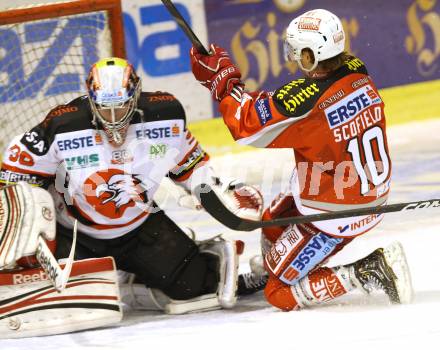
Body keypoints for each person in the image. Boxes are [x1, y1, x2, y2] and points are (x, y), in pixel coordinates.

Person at [0, 57, 263, 327]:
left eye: (121, 106)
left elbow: (190, 166)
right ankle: (121, 274)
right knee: (60, 301)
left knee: (195, 287)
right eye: (105, 108)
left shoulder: (165, 116)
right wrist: (25, 210)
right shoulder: (64, 125)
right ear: (91, 101)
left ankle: (139, 279)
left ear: (135, 96)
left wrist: (218, 190)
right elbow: (16, 171)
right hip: (75, 233)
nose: (114, 119)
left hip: (140, 227)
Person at [190, 9, 413, 310]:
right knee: (271, 221)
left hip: (334, 215)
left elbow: (247, 125)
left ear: (309, 56)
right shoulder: (357, 71)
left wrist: (223, 82)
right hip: (355, 193)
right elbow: (293, 105)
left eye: (296, 51)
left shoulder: (309, 103)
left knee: (278, 294)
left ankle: (364, 271)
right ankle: (278, 267)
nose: (294, 58)